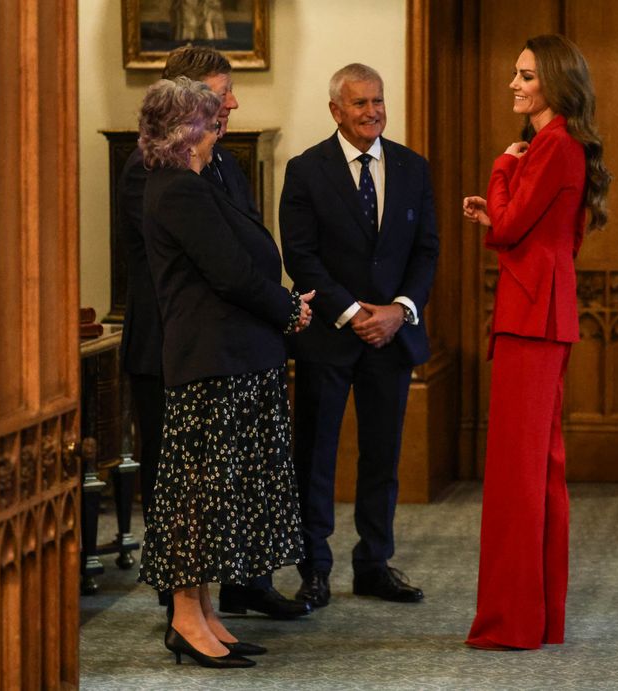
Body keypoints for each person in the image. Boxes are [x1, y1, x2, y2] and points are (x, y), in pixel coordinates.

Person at [118, 46, 311, 621]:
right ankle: (181, 604)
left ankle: (238, 585)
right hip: (176, 344)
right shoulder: (151, 172)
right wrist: (282, 306)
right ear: (186, 103)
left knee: (232, 478)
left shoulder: (220, 161)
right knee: (184, 483)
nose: (231, 102)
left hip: (233, 341)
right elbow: (212, 265)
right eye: (220, 92)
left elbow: (244, 246)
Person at [461, 34, 611, 650]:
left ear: (553, 80)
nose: (515, 85)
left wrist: (502, 167)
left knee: (516, 478)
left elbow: (513, 224)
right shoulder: (559, 145)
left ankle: (512, 622)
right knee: (538, 473)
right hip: (541, 311)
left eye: (526, 76)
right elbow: (527, 225)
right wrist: (504, 204)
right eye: (515, 74)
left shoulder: (553, 144)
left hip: (532, 315)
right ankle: (536, 618)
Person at [280, 63, 439, 608]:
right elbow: (299, 256)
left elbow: (426, 251)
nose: (372, 111)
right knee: (316, 457)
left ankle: (374, 562)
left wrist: (399, 310)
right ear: (335, 110)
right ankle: (314, 568)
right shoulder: (305, 171)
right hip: (330, 337)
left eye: (378, 101)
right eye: (360, 103)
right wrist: (353, 313)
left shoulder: (413, 168)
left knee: (382, 457)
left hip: (393, 339)